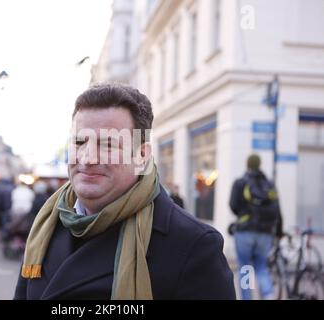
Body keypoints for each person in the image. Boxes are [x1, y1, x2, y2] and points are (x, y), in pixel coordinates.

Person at [14, 83, 235, 300]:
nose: (88, 158)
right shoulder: (47, 221)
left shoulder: (193, 246)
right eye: (80, 142)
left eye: (108, 145)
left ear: (141, 156)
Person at [229, 154, 283, 300]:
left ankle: (247, 298)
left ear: (247, 164)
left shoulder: (240, 183)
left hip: (245, 232)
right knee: (261, 267)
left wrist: (244, 213)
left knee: (245, 267)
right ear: (259, 165)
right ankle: (268, 294)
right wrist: (278, 232)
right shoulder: (270, 185)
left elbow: (233, 206)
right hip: (265, 232)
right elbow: (277, 210)